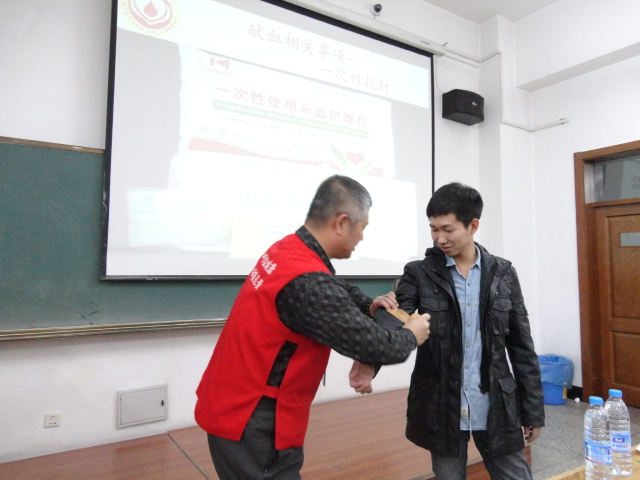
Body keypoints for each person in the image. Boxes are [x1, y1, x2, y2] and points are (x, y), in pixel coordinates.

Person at [195, 174, 431, 480]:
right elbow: (377, 346)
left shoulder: (289, 249)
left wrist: (366, 305)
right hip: (252, 418)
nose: (361, 237)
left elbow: (332, 285)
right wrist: (412, 333)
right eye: (362, 228)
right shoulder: (307, 281)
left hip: (239, 403)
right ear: (342, 223)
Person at [394, 182, 545, 480]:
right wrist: (370, 358)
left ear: (473, 226)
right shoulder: (419, 273)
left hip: (495, 404)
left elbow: (522, 348)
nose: (439, 238)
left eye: (448, 229)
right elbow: (397, 320)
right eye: (433, 229)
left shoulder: (503, 273)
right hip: (442, 406)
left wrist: (532, 411)